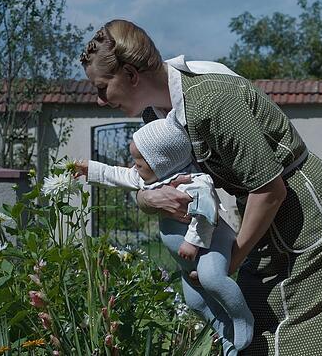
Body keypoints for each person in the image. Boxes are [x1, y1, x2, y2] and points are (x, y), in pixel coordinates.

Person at [79, 19, 322, 356]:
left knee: (304, 344)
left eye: (102, 87)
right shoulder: (155, 118)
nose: (99, 100)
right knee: (253, 339)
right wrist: (147, 199)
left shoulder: (212, 101)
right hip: (262, 224)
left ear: (130, 74)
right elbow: (149, 181)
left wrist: (231, 262)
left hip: (313, 219)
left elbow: (270, 191)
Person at [75, 117, 254, 353]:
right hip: (187, 260)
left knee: (212, 278)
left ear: (162, 162)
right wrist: (90, 169)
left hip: (210, 245)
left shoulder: (195, 182)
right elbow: (118, 174)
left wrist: (192, 242)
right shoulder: (152, 178)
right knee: (195, 301)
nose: (134, 165)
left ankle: (242, 319)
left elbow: (206, 214)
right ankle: (224, 329)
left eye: (140, 162)